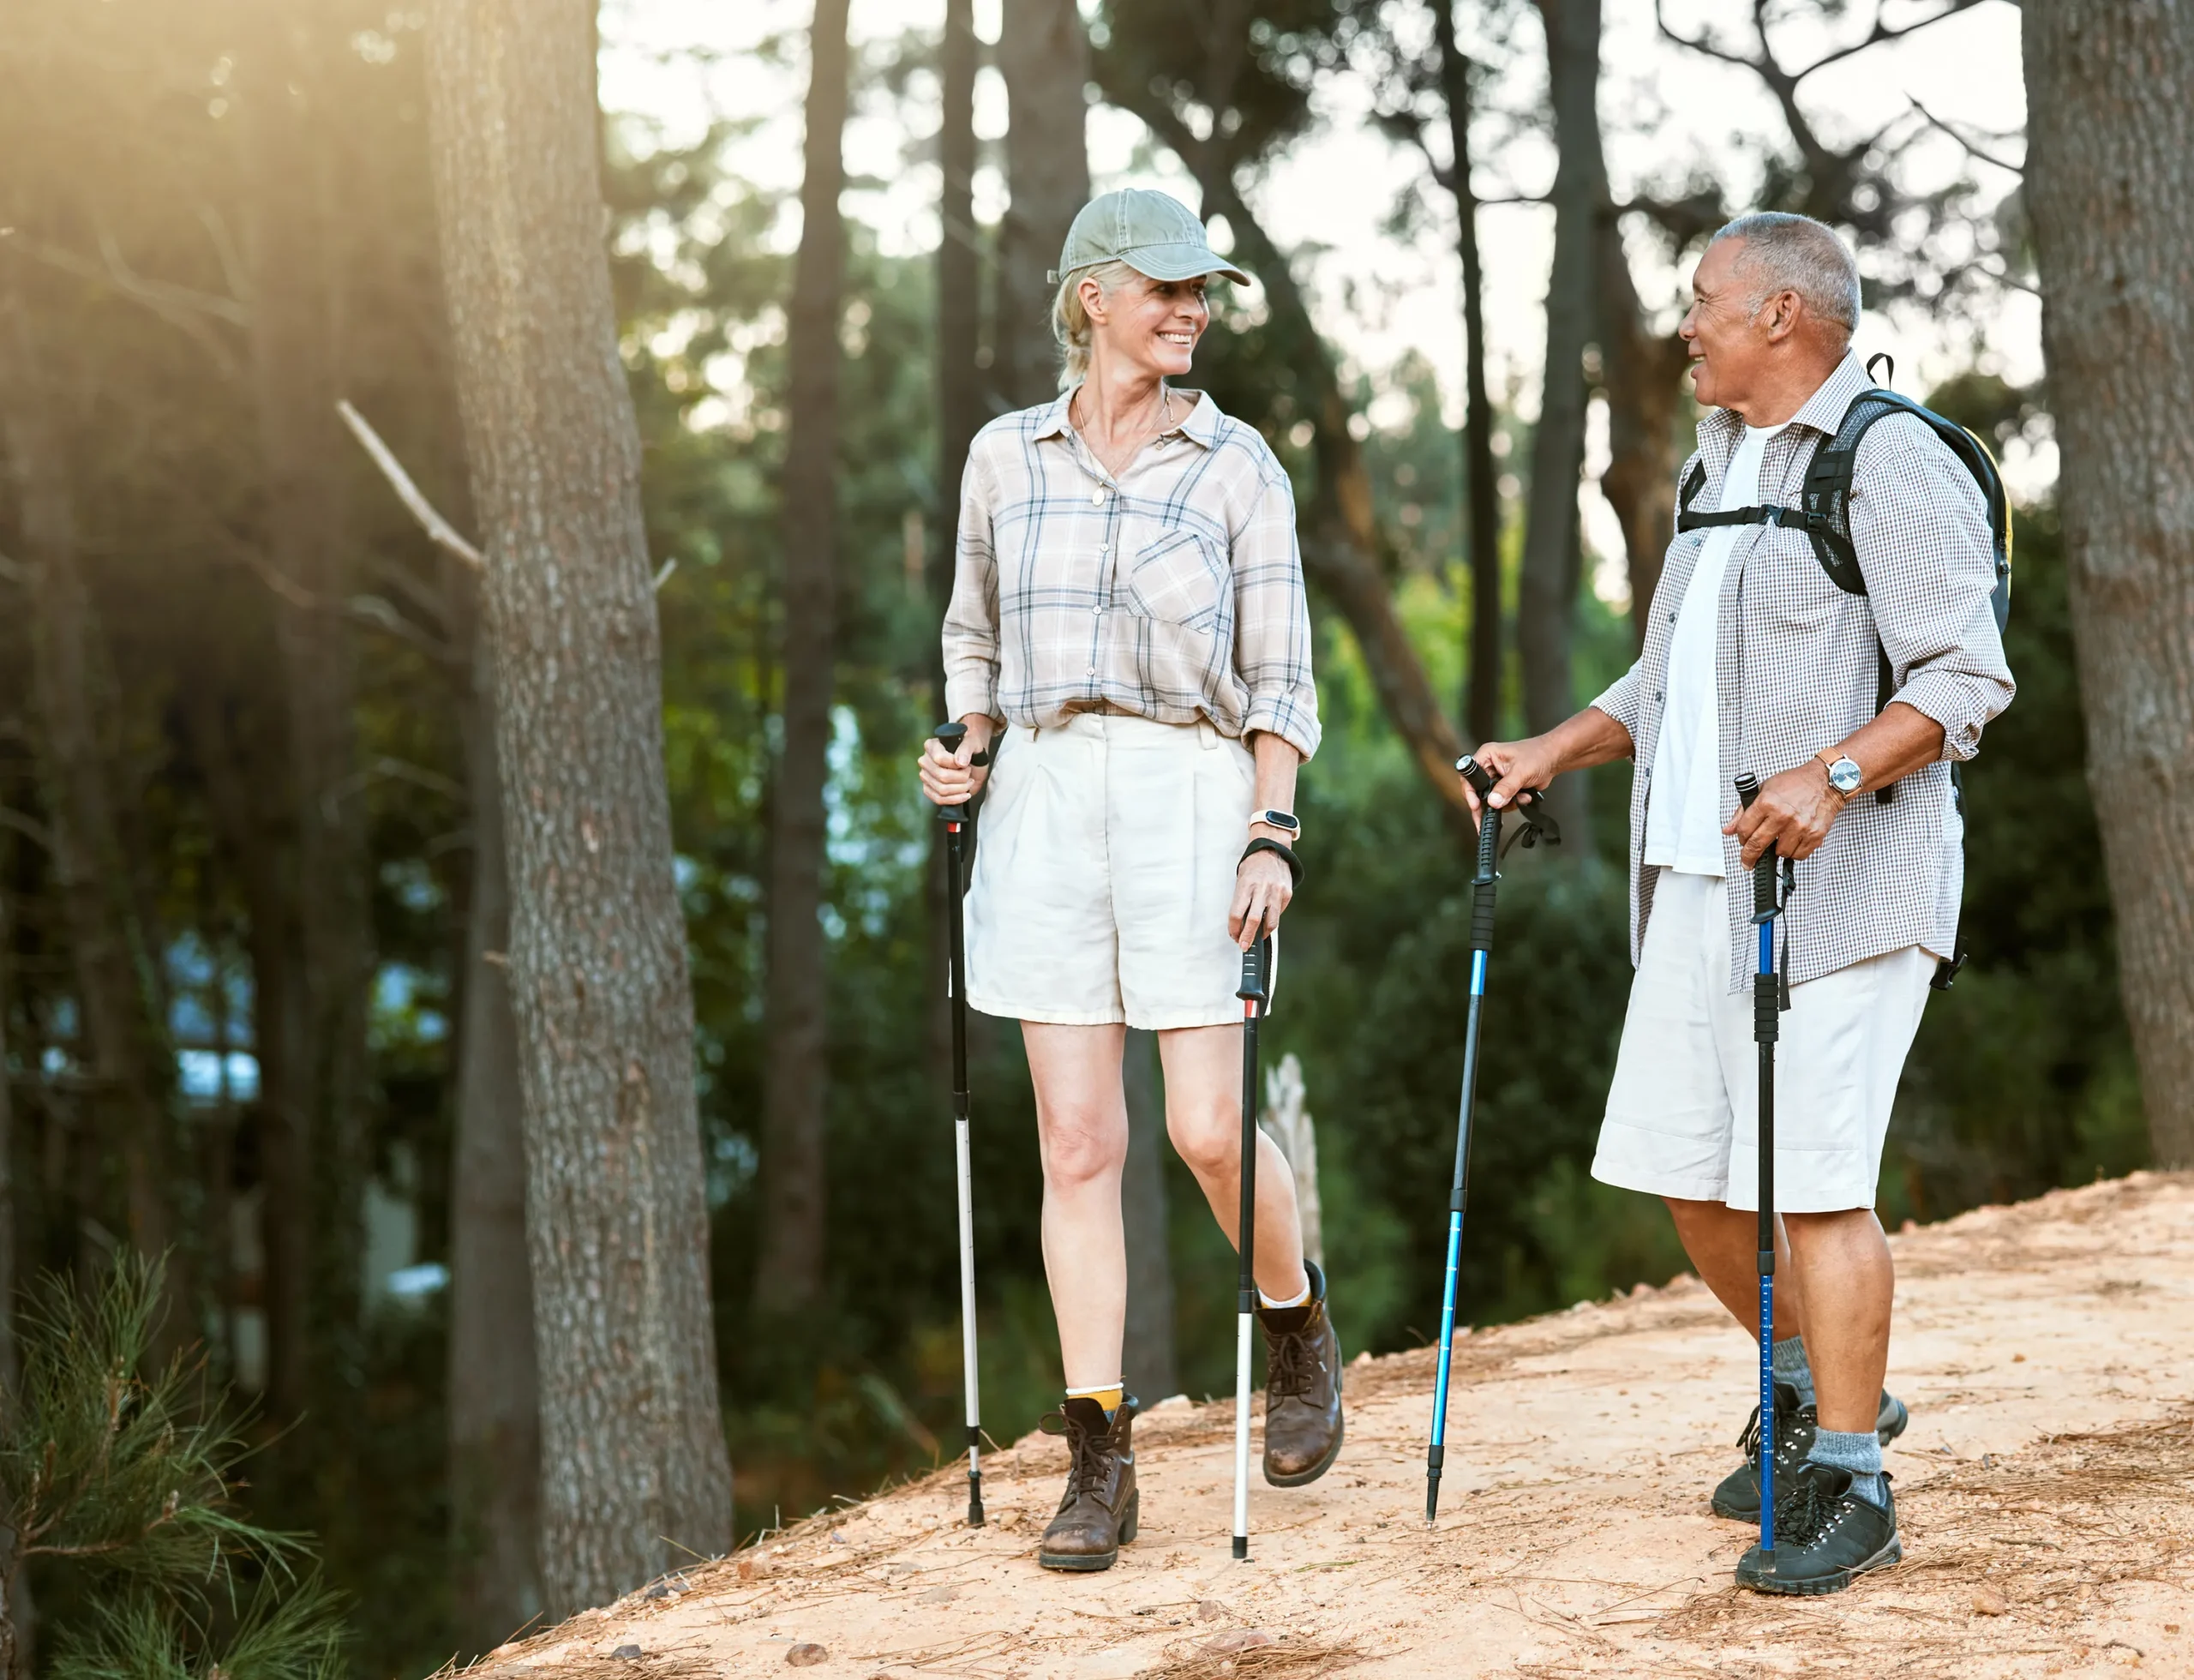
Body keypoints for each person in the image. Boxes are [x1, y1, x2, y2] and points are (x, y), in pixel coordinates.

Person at [1464, 212, 2012, 1594]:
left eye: (1704, 300)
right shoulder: (1719, 467)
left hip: (1849, 893)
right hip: (1701, 891)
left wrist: (1833, 772)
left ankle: (1853, 1480)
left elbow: (1964, 676)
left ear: (1782, 315)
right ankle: (1808, 1380)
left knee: (1817, 1189)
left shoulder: (1887, 460)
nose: (1685, 324)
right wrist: (1549, 749)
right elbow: (1667, 684)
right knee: (1692, 1182)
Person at [918, 188, 1342, 1573]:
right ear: (1091, 295)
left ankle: (1295, 1323)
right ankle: (1099, 1456)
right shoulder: (1004, 457)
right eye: (1164, 288)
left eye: (1202, 292)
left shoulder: (1237, 465)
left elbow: (1282, 674)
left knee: (1207, 1130)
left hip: (1190, 789)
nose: (1191, 310)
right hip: (1045, 791)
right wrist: (967, 743)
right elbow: (972, 633)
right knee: (1078, 1143)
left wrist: (1271, 829)